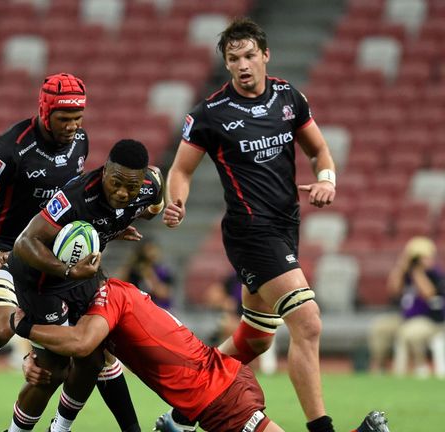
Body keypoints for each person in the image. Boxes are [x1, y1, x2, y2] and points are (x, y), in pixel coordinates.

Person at [162, 17, 348, 432]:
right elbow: (181, 171)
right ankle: (322, 427)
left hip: (286, 227)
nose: (243, 65)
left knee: (257, 336)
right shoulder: (210, 113)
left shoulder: (289, 97)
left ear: (265, 55)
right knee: (308, 320)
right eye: (233, 59)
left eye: (249, 56)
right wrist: (176, 203)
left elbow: (319, 150)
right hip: (250, 231)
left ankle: (178, 415)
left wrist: (326, 179)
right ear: (226, 64)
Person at [0, 73, 140, 432]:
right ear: (44, 111)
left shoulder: (80, 141)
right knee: (1, 328)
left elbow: (72, 204)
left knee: (94, 349)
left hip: (51, 256)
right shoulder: (9, 150)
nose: (73, 126)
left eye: (78, 118)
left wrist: (108, 226)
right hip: (2, 249)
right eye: (65, 119)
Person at [12, 277, 391, 432]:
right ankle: (175, 424)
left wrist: (23, 328)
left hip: (215, 394)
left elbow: (79, 344)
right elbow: (101, 366)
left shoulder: (103, 305)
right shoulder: (118, 293)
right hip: (217, 376)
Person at [4, 139, 164, 432]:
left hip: (82, 272)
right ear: (104, 172)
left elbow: (155, 203)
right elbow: (24, 243)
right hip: (40, 278)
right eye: (116, 183)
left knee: (95, 354)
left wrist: (116, 225)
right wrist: (66, 269)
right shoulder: (75, 197)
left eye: (131, 186)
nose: (122, 192)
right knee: (53, 368)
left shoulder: (148, 186)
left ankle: (60, 428)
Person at [368, 237, 444, 376]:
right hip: (405, 318)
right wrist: (401, 266)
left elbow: (429, 294)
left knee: (412, 332)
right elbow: (393, 289)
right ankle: (379, 367)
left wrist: (417, 272)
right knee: (380, 327)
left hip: (431, 321)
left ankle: (421, 367)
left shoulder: (436, 275)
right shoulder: (405, 274)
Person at [116, 238, 175, 309]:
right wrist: (130, 265)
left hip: (158, 309)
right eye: (148, 250)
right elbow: (117, 283)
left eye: (153, 249)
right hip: (137, 308)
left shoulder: (162, 271)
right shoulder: (134, 270)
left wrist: (149, 275)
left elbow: (163, 294)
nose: (152, 253)